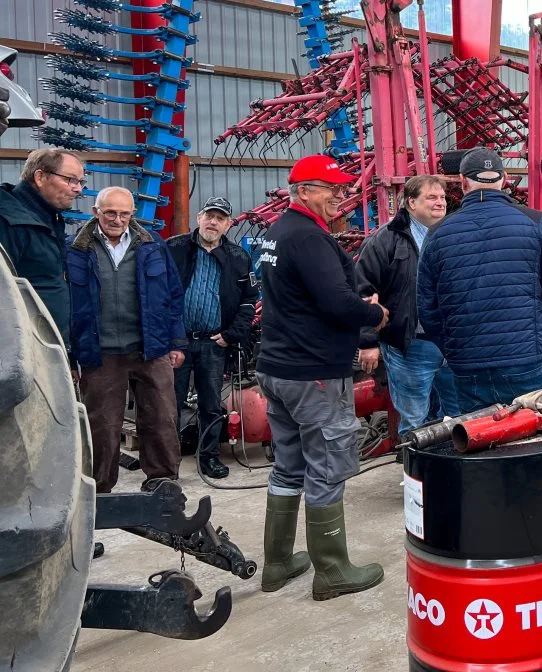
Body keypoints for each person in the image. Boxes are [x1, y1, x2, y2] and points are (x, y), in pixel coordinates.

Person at [255, 154, 389, 600]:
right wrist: (374, 312)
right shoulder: (309, 238)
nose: (340, 196)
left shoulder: (278, 232)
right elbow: (336, 304)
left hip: (277, 369)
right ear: (304, 192)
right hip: (312, 372)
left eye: (341, 187)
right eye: (331, 188)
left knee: (289, 465)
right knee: (327, 467)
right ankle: (331, 570)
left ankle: (276, 563)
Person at [417, 147, 542, 412]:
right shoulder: (536, 222)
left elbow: (427, 308)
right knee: (539, 443)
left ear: (463, 182)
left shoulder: (437, 233)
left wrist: (454, 349)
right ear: (505, 178)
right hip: (530, 359)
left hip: (467, 365)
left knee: (481, 444)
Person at [66, 187, 187, 494]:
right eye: (110, 213)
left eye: (123, 213)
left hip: (151, 347)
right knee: (102, 427)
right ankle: (98, 492)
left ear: (133, 214)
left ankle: (161, 483)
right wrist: (70, 356)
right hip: (100, 353)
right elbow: (65, 305)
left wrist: (175, 342)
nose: (116, 220)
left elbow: (172, 295)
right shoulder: (75, 250)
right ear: (96, 212)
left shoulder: (152, 246)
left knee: (161, 418)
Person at [356, 175, 460, 432]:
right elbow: (362, 291)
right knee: (414, 421)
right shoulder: (385, 240)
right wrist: (368, 341)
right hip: (412, 346)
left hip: (454, 346)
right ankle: (416, 472)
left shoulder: (454, 235)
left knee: (457, 416)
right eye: (432, 197)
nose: (440, 203)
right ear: (411, 202)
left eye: (443, 198)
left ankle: (450, 471)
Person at [166, 196, 256, 479]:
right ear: (199, 218)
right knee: (170, 403)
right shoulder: (174, 248)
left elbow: (249, 301)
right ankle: (166, 463)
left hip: (213, 343)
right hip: (176, 343)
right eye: (209, 216)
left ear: (228, 225)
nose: (213, 222)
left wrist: (231, 336)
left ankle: (209, 458)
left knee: (211, 404)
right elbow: (157, 294)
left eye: (220, 218)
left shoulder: (239, 258)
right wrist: (168, 337)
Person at [0, 149, 84, 344]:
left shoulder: (49, 218)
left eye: (80, 182)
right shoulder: (10, 222)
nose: (78, 189)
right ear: (40, 177)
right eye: (71, 180)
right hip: (22, 349)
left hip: (46, 346)